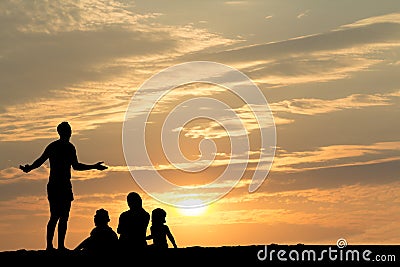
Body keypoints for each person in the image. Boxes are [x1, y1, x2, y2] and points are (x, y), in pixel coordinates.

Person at [19, 121, 108, 251]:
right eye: (68, 130)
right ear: (63, 132)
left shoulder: (68, 147)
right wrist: (30, 168)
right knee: (55, 216)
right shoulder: (56, 146)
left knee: (63, 216)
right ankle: (50, 246)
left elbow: (75, 166)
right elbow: (41, 160)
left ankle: (60, 246)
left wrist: (94, 166)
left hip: (64, 185)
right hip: (56, 185)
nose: (70, 133)